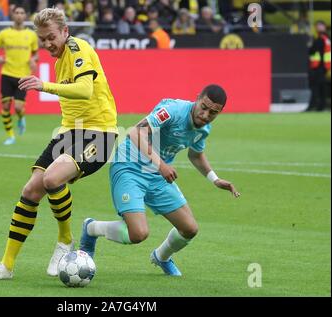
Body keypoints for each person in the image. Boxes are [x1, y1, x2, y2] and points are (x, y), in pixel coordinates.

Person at [0, 7, 118, 281]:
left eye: (51, 37)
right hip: (70, 133)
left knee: (53, 178)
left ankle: (65, 241)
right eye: (42, 39)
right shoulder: (59, 58)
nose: (47, 44)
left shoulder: (78, 48)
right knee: (31, 190)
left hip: (100, 135)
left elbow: (86, 90)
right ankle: (6, 266)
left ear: (65, 32)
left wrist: (45, 86)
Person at [79, 84, 240, 276]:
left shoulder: (203, 129)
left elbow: (196, 156)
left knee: (189, 229)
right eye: (203, 107)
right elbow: (135, 132)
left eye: (213, 113)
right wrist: (161, 165)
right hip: (130, 166)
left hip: (156, 175)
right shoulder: (173, 110)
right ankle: (91, 228)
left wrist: (215, 179)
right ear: (197, 98)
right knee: (138, 234)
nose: (205, 115)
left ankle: (161, 257)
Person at [0, 5, 39, 145]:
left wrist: (33, 60)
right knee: (5, 107)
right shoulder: (4, 34)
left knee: (18, 108)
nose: (19, 15)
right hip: (7, 74)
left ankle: (21, 117)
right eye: (17, 13)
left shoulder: (31, 35)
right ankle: (10, 135)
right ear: (12, 15)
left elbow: (36, 54)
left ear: (25, 16)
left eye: (22, 13)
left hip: (23, 76)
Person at [306, 20, 331, 112]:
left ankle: (313, 106)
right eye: (317, 26)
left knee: (315, 87)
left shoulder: (321, 39)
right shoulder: (325, 38)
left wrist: (310, 46)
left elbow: (312, 51)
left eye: (320, 25)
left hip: (319, 67)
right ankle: (321, 106)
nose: (318, 27)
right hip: (323, 67)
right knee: (321, 87)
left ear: (324, 27)